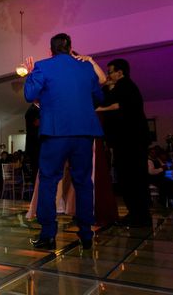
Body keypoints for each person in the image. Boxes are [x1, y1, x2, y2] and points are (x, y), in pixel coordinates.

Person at [23, 33, 103, 250]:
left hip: (56, 132)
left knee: (49, 181)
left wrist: (31, 75)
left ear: (51, 50)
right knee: (83, 182)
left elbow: (30, 95)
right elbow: (100, 97)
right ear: (70, 48)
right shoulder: (86, 68)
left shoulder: (42, 66)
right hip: (84, 132)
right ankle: (86, 234)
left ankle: (48, 234)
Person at [98, 58, 151, 227]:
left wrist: (98, 109)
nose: (108, 75)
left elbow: (114, 105)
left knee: (133, 178)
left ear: (120, 72)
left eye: (110, 71)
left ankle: (140, 215)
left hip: (132, 141)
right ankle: (136, 213)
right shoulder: (118, 87)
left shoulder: (126, 86)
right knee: (128, 178)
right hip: (126, 141)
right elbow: (106, 100)